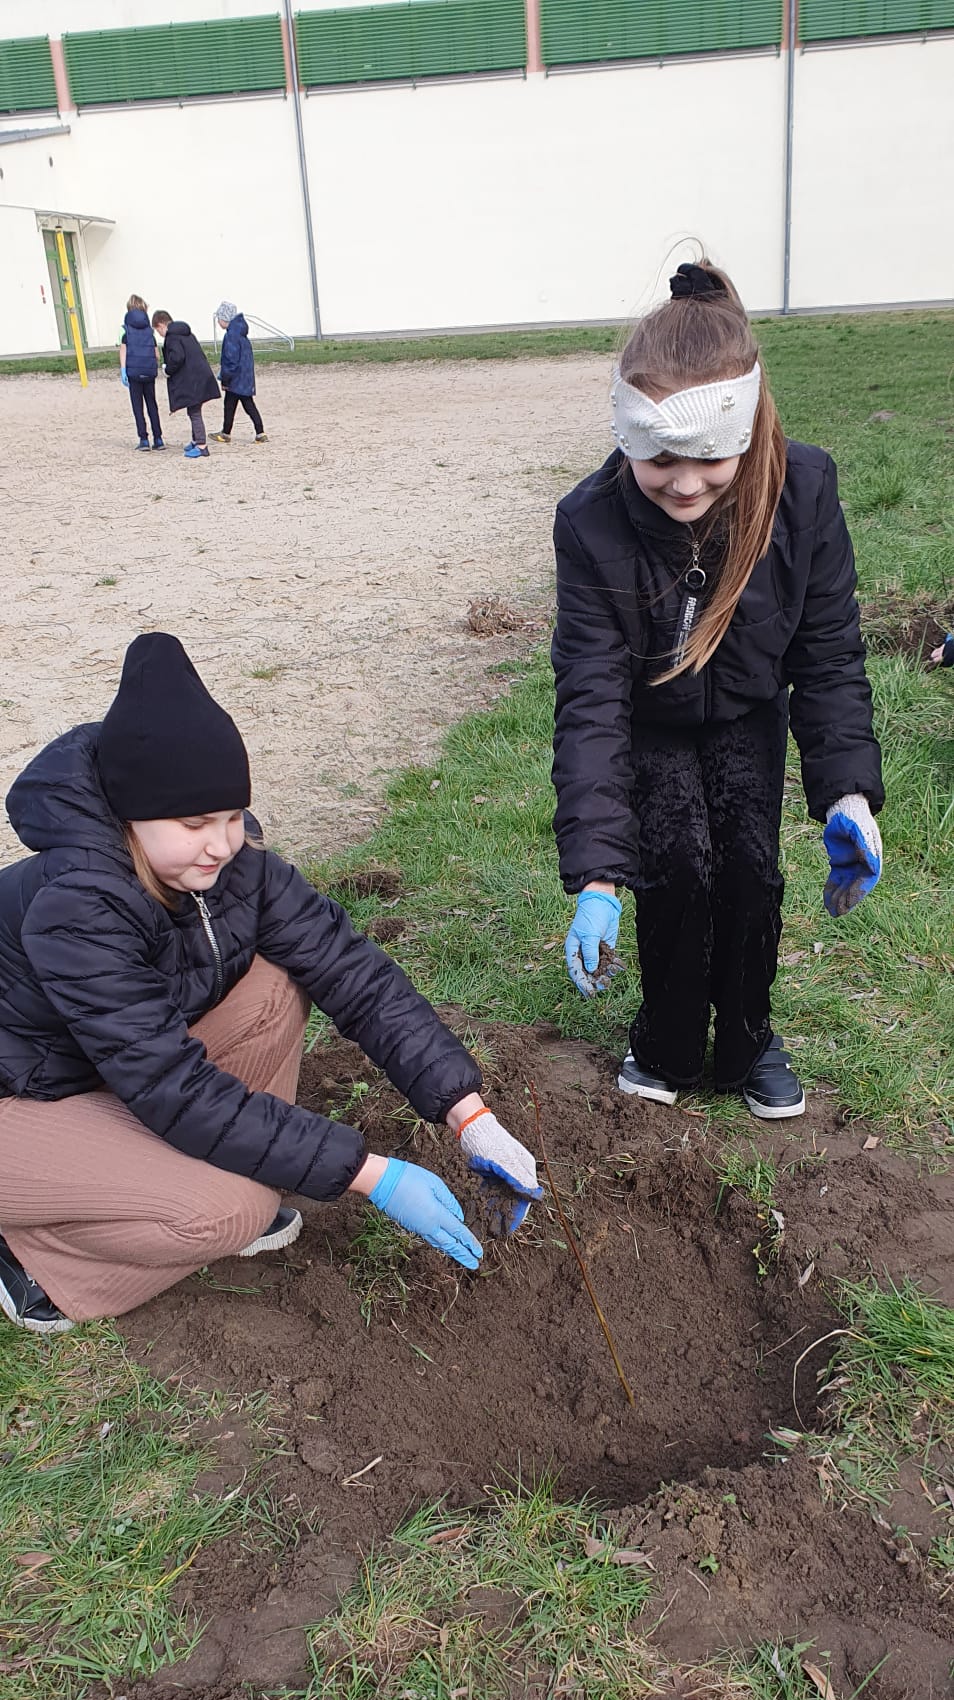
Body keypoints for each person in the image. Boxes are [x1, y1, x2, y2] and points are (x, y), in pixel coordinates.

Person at [0, 634, 541, 1335]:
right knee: (227, 1211)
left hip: (88, 1066)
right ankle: (32, 1251)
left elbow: (355, 975)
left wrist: (471, 1117)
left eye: (230, 816)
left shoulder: (234, 868)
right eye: (195, 823)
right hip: (19, 1094)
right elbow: (174, 1087)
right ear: (130, 817)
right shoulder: (78, 904)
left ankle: (207, 1176)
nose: (222, 842)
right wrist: (372, 1173)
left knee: (274, 987)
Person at [551, 260, 884, 1120]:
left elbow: (830, 653)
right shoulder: (590, 521)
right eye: (658, 460)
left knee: (746, 870)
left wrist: (847, 790)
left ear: (747, 428)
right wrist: (596, 876)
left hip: (746, 714)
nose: (686, 483)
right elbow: (588, 697)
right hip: (650, 720)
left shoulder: (802, 491)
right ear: (625, 437)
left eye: (709, 459)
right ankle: (661, 1041)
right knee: (679, 870)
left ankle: (747, 1039)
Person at [151, 310, 221, 460]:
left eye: (158, 330)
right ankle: (196, 440)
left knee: (195, 412)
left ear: (161, 325)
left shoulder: (172, 337)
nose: (159, 334)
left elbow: (177, 357)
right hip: (200, 376)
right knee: (193, 409)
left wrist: (167, 370)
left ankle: (202, 446)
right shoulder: (186, 333)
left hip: (192, 380)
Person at [212, 301, 267, 444]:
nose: (218, 322)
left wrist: (225, 379)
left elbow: (230, 360)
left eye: (219, 318)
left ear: (225, 319)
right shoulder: (241, 333)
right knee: (242, 404)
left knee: (235, 405)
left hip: (235, 378)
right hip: (245, 377)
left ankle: (228, 433)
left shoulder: (231, 336)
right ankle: (258, 432)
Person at [118, 294, 164, 452]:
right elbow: (156, 354)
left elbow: (123, 352)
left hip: (133, 373)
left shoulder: (126, 332)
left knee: (138, 406)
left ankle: (144, 439)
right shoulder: (149, 333)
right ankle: (158, 438)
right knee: (152, 404)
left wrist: (123, 370)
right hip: (148, 372)